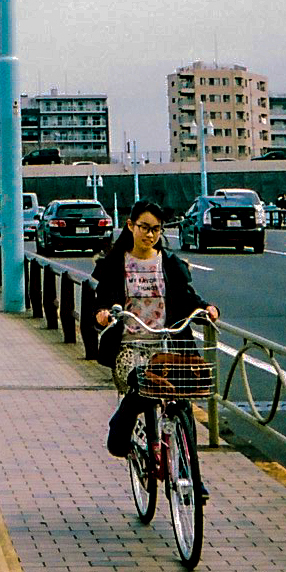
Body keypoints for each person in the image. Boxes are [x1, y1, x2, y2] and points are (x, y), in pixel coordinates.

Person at [92, 199, 219, 467]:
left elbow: (186, 296)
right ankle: (121, 422)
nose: (150, 234)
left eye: (156, 229)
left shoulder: (169, 262)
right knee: (143, 384)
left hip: (168, 345)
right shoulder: (116, 263)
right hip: (130, 347)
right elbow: (102, 299)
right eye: (144, 227)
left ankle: (188, 471)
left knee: (182, 403)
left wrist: (206, 308)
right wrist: (103, 314)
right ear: (130, 226)